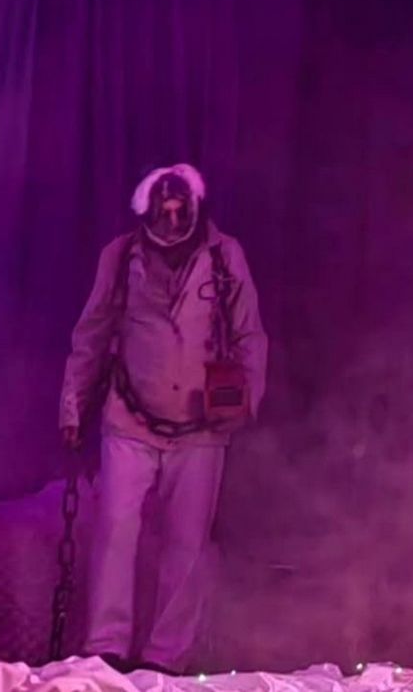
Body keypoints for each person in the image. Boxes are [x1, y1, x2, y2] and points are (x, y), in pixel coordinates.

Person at [59, 164, 268, 674]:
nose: (173, 222)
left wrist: (246, 402)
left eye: (181, 212)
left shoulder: (225, 256)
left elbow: (250, 334)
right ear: (147, 212)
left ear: (195, 208)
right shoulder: (119, 256)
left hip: (202, 426)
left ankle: (166, 657)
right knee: (115, 531)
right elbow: (91, 333)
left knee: (187, 543)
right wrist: (73, 405)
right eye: (164, 212)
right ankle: (105, 645)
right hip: (129, 418)